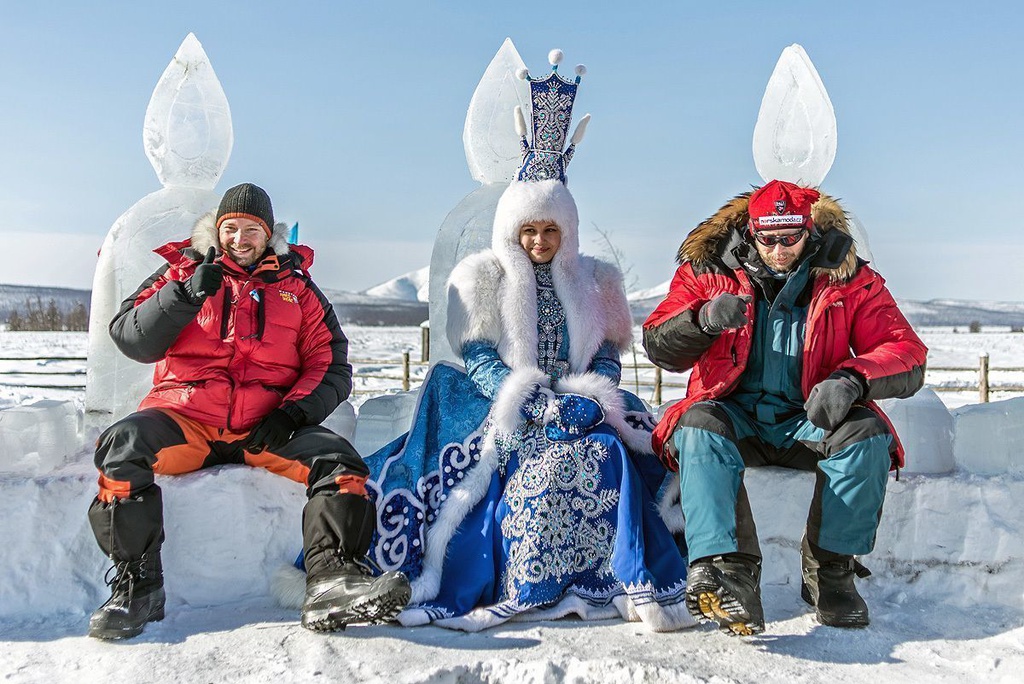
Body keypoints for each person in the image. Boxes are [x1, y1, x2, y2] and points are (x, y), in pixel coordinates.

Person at [352, 53, 692, 632]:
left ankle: (613, 579)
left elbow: (607, 352)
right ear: (512, 230)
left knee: (609, 455)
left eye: (550, 228)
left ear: (568, 229)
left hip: (582, 406)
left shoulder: (597, 280)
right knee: (531, 464)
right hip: (508, 406)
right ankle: (525, 579)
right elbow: (480, 355)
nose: (539, 239)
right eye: (528, 229)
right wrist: (531, 400)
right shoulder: (483, 277)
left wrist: (592, 395)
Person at [86, 183, 410, 639]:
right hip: (185, 419)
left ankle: (331, 581)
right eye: (231, 228)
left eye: (251, 230)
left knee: (341, 464)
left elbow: (331, 362)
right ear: (217, 231)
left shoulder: (297, 287)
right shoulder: (180, 270)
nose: (240, 239)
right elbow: (130, 337)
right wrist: (182, 295)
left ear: (268, 234)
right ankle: (137, 589)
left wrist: (293, 414)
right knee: (123, 447)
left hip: (266, 428)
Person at [643, 179, 927, 636]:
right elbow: (660, 343)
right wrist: (702, 320)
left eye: (790, 239)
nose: (778, 249)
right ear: (751, 233)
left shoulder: (848, 277)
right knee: (696, 426)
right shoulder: (707, 271)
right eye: (768, 239)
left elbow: (905, 349)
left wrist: (852, 379)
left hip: (809, 420)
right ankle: (730, 573)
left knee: (866, 436)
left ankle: (829, 571)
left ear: (808, 232)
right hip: (733, 414)